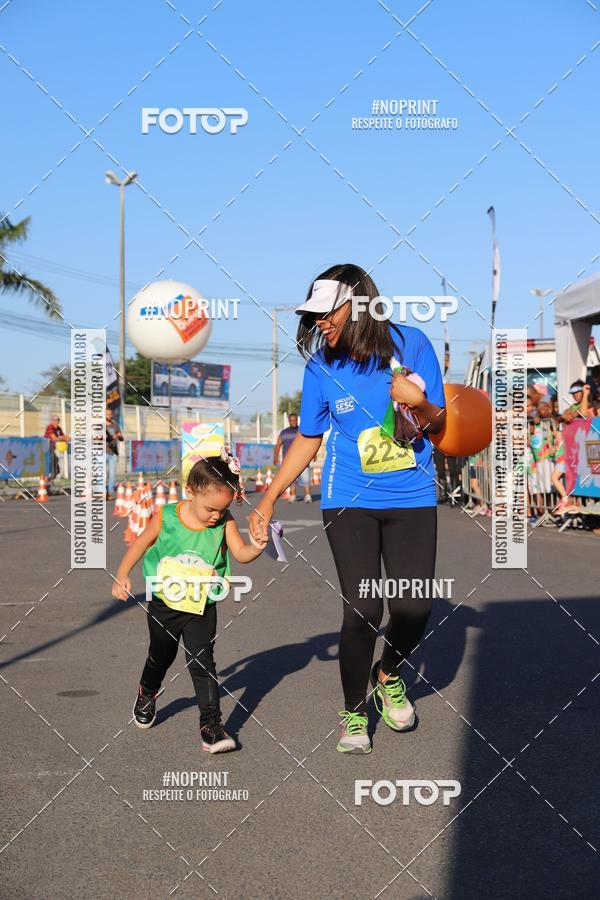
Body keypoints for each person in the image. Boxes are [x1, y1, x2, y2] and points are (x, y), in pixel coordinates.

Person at [249, 264, 446, 754]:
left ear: (357, 305)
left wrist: (418, 401)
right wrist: (268, 497)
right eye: (312, 316)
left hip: (413, 497)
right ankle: (354, 713)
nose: (319, 323)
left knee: (414, 606)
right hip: (348, 500)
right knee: (363, 607)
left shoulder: (413, 344)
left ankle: (388, 673)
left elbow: (441, 425)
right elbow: (309, 439)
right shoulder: (320, 367)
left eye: (326, 312)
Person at [112, 449, 267, 753]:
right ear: (191, 492)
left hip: (201, 606)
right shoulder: (168, 516)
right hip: (165, 604)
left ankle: (212, 726)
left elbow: (241, 554)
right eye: (211, 509)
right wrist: (122, 573)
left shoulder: (224, 523)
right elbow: (141, 542)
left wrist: (257, 546)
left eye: (222, 511)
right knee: (160, 656)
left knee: (202, 661)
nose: (216, 516)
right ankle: (148, 691)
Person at [273, 413, 313, 502]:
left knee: (306, 478)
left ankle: (308, 495)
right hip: (288, 461)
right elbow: (278, 445)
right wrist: (275, 457)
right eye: (291, 420)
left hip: (303, 459)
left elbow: (310, 443)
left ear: (297, 420)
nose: (293, 422)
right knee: (291, 479)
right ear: (289, 421)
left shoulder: (302, 431)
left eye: (295, 420)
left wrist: (313, 455)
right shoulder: (283, 433)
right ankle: (293, 495)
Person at [44, 414, 69, 487]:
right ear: (52, 420)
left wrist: (63, 437)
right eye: (56, 420)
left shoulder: (59, 429)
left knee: (56, 470)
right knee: (48, 469)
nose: (57, 421)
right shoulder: (50, 427)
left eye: (58, 420)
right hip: (46, 450)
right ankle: (45, 485)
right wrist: (62, 438)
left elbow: (65, 437)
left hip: (53, 450)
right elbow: (54, 438)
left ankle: (48, 483)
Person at [106, 409, 124, 500]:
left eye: (110, 414)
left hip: (113, 453)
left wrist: (119, 436)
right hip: (101, 452)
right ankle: (102, 492)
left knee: (112, 474)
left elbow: (121, 438)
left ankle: (109, 493)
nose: (109, 416)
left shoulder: (115, 425)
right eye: (107, 414)